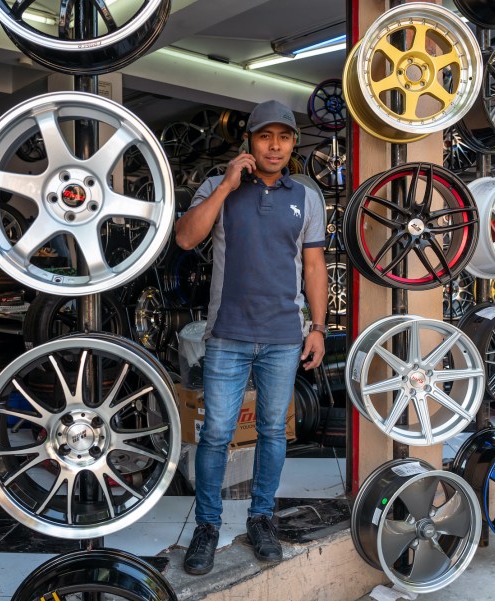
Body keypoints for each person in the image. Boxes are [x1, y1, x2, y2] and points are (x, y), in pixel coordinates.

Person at [174, 99, 328, 575]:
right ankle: (207, 526)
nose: (274, 145)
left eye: (283, 136)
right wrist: (225, 186)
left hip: (283, 335)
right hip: (228, 334)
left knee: (272, 434)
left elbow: (314, 265)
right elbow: (184, 238)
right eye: (265, 136)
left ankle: (261, 518)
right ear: (249, 142)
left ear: (293, 143)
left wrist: (319, 327)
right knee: (217, 434)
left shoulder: (306, 196)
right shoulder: (220, 188)